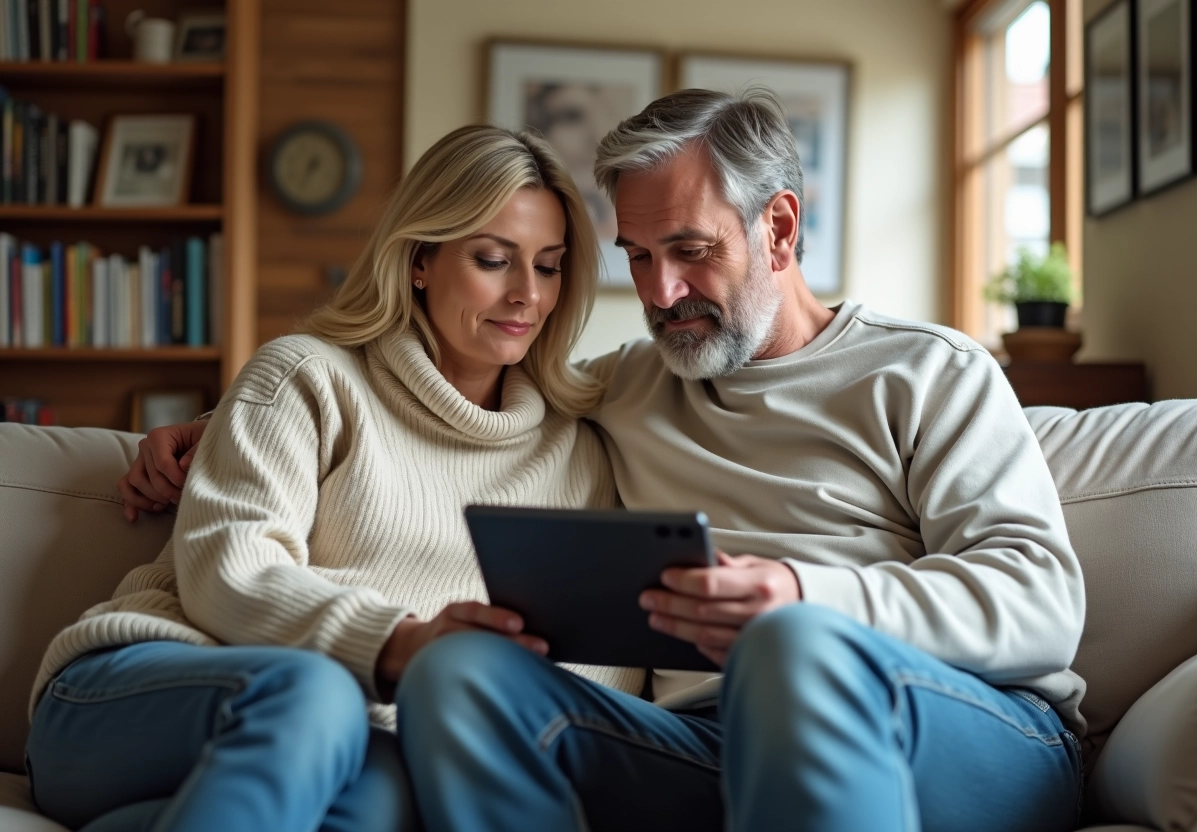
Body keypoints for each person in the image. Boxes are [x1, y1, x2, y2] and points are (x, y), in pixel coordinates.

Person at [119, 90, 1087, 832]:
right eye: (637, 255)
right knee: (459, 671)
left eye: (692, 250)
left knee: (787, 647)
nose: (663, 292)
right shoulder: (628, 385)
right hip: (706, 742)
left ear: (781, 229)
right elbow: (441, 384)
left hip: (954, 726)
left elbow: (1043, 599)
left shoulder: (926, 370)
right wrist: (215, 424)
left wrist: (806, 593)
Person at [25, 124, 646, 832]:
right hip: (141, 699)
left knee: (379, 799)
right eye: (493, 259)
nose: (526, 296)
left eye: (549, 265)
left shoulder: (579, 452)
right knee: (314, 694)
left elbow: (599, 670)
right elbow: (228, 568)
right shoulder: (305, 376)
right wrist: (400, 643)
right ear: (419, 259)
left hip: (353, 749)